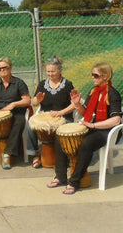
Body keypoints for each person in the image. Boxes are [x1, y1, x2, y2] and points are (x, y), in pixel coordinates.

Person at [47, 62, 122, 195]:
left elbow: (116, 120)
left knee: (85, 144)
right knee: (60, 137)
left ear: (105, 76)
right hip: (93, 127)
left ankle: (74, 182)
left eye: (96, 75)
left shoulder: (113, 94)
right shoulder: (94, 91)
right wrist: (77, 104)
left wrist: (93, 125)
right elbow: (86, 113)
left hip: (107, 131)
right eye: (92, 75)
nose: (93, 78)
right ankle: (60, 176)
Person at [27, 56, 75, 168]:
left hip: (64, 117)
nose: (50, 74)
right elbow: (33, 102)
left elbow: (74, 104)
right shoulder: (42, 84)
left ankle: (64, 157)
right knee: (29, 126)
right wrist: (37, 100)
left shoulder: (67, 84)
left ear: (60, 70)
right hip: (45, 117)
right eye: (48, 71)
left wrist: (61, 112)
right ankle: (35, 154)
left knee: (63, 127)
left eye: (53, 71)